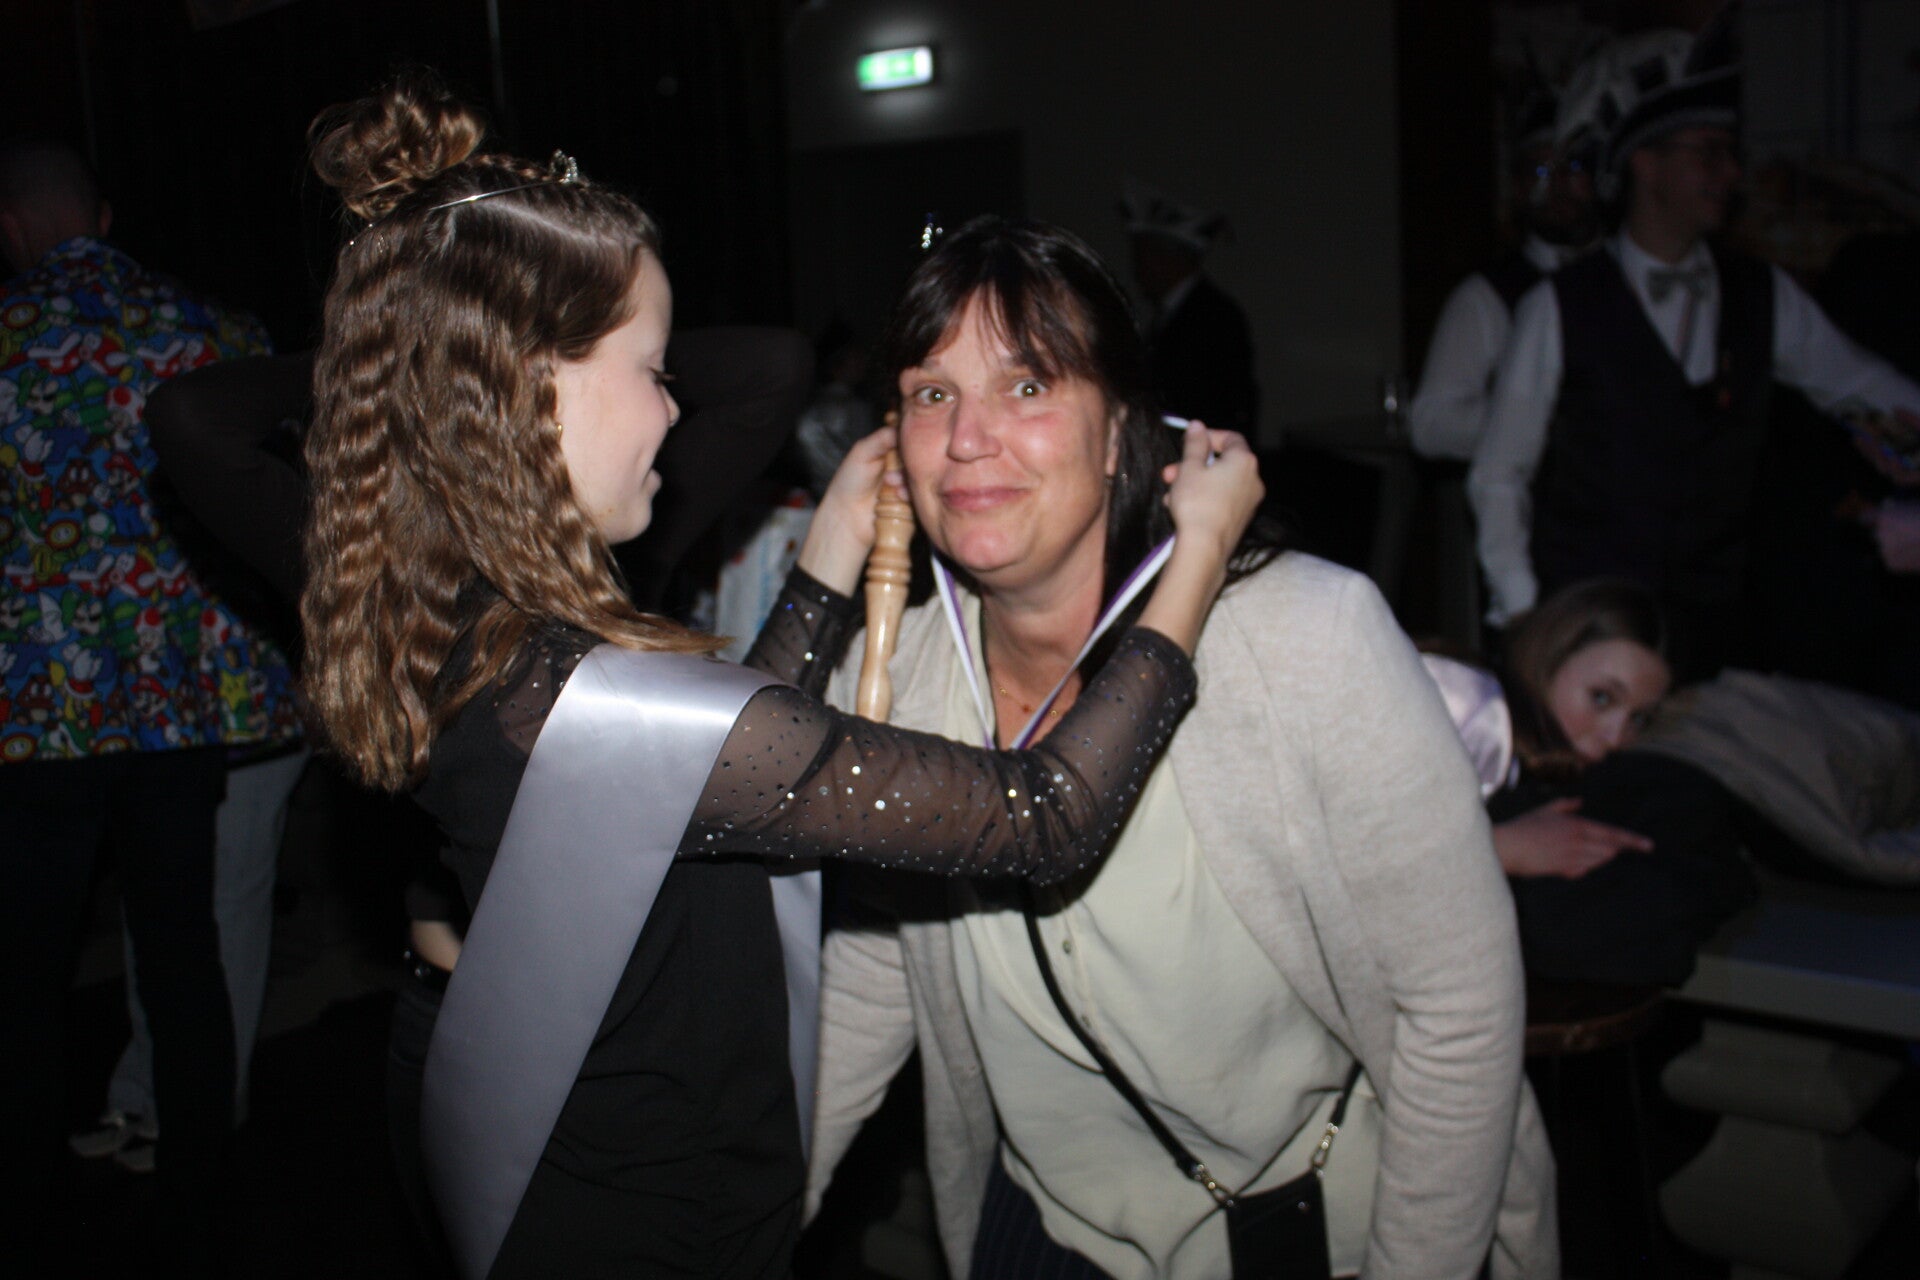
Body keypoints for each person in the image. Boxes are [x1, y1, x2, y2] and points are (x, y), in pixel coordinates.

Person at [298, 74, 1260, 1280]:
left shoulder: (477, 629)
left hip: (570, 1172)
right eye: (653, 367)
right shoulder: (581, 689)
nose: (675, 407)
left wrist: (821, 567)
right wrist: (1199, 556)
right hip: (645, 1224)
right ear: (533, 385)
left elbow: (698, 784)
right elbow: (1044, 815)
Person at [805, 216, 1555, 1280]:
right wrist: (744, 1217)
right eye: (933, 393)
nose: (968, 437)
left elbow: (1459, 1013)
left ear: (1119, 434)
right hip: (1040, 1236)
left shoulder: (1303, 638)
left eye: (1028, 386)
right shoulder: (895, 678)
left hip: (1305, 1235)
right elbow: (879, 969)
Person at [0, 138, 300, 1268]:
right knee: (182, 949)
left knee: (25, 973)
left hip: (35, 710)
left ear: (12, 227)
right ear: (103, 217)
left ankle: (26, 1202)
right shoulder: (214, 333)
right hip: (182, 702)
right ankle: (198, 1191)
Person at [1466, 24, 1920, 677]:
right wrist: (1524, 614)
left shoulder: (1762, 296)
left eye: (1731, 153)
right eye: (1709, 153)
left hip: (1719, 638)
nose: (1731, 173)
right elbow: (1498, 475)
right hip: (1593, 634)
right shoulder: (1558, 306)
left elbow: (1867, 387)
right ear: (1645, 163)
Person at [1424, 579, 1672, 882]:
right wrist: (1505, 848)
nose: (1616, 738)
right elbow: (1375, 849)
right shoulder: (1469, 705)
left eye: (1638, 719)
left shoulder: (1518, 757)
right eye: (1601, 697)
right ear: (1550, 656)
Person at [1409, 76, 1601, 462]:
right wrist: (1543, 420)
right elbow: (1431, 424)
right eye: (1541, 171)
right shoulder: (1487, 295)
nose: (1559, 184)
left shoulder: (1628, 280)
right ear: (1518, 187)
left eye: (1573, 167)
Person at [1119, 177, 1258, 436]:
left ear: (1168, 258)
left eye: (1143, 256)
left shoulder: (1214, 317)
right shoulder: (1172, 315)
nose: (1137, 270)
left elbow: (1217, 405)